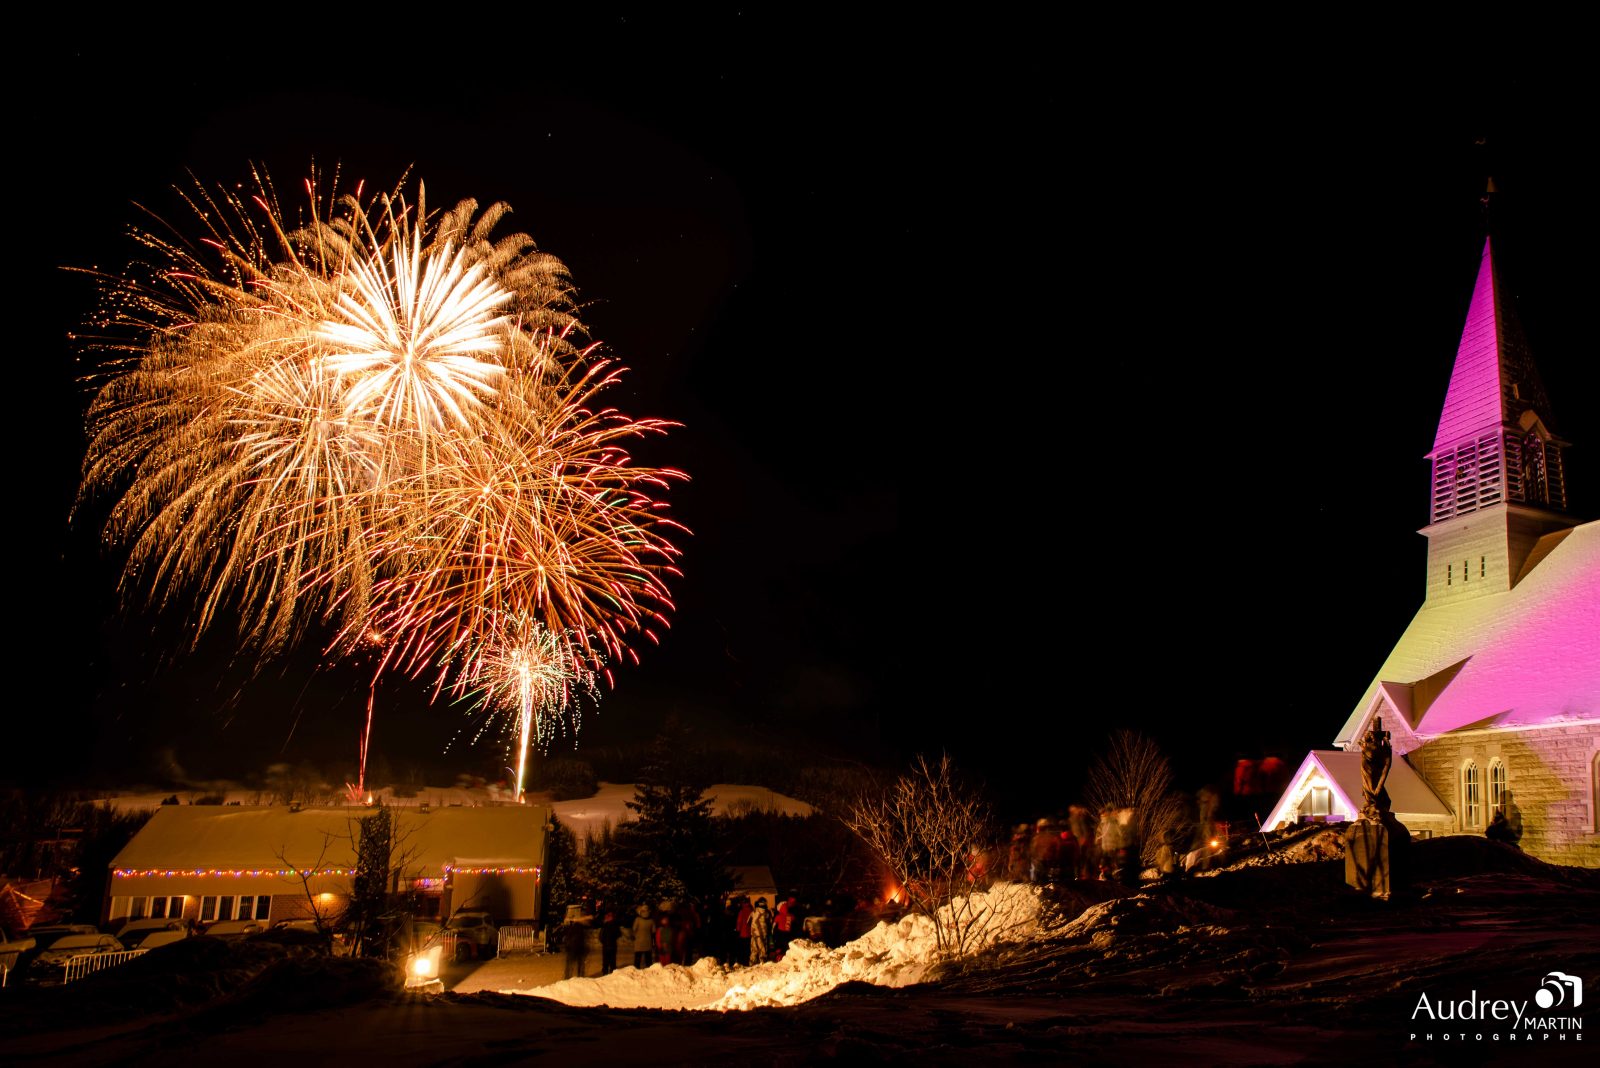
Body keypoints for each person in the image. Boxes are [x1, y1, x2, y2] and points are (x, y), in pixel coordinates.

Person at [748, 897, 774, 965]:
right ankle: (763, 961)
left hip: (754, 933)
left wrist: (753, 930)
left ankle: (752, 963)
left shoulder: (753, 912)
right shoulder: (765, 912)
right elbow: (770, 921)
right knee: (762, 948)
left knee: (754, 948)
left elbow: (748, 922)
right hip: (762, 932)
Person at [630, 905, 654, 969]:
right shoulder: (651, 920)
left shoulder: (637, 920)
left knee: (637, 960)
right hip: (648, 942)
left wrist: (633, 936)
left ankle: (636, 970)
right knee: (648, 960)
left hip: (638, 942)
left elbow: (634, 929)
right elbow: (653, 931)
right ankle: (649, 971)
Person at [598, 910, 621, 975]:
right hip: (612, 945)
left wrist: (604, 942)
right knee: (612, 961)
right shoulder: (614, 924)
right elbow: (619, 934)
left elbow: (600, 936)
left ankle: (605, 973)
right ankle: (611, 973)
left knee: (606, 961)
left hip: (606, 946)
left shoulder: (605, 925)